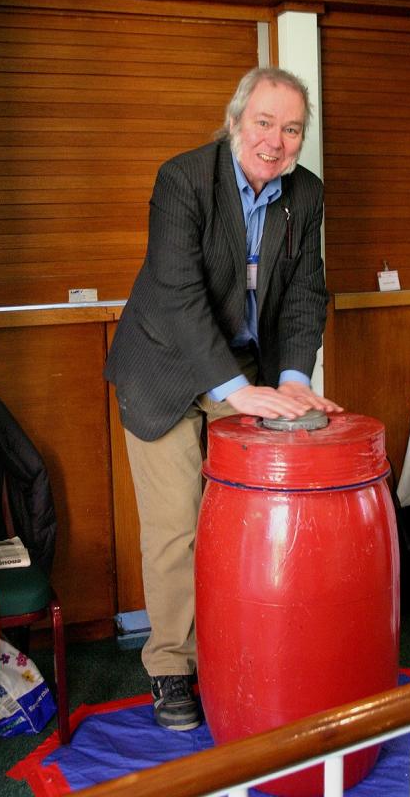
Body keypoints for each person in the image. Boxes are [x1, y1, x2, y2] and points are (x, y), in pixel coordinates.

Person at [104, 66, 342, 731]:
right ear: (237, 120)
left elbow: (303, 294)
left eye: (291, 128)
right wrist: (239, 394)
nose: (276, 139)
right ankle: (172, 668)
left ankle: (233, 649)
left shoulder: (306, 193)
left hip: (240, 365)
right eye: (264, 122)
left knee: (241, 519)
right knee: (178, 526)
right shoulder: (182, 179)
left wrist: (293, 382)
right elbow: (178, 295)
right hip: (164, 366)